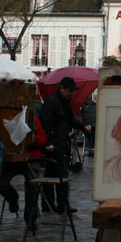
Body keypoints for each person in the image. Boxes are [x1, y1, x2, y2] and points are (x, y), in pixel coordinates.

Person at [38, 77, 90, 214]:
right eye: (69, 91)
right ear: (62, 88)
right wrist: (48, 142)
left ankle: (51, 204)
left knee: (54, 174)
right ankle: (59, 205)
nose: (71, 93)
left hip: (61, 144)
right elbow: (46, 123)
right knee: (61, 174)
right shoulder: (53, 102)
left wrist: (82, 127)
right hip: (54, 145)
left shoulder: (64, 103)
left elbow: (69, 120)